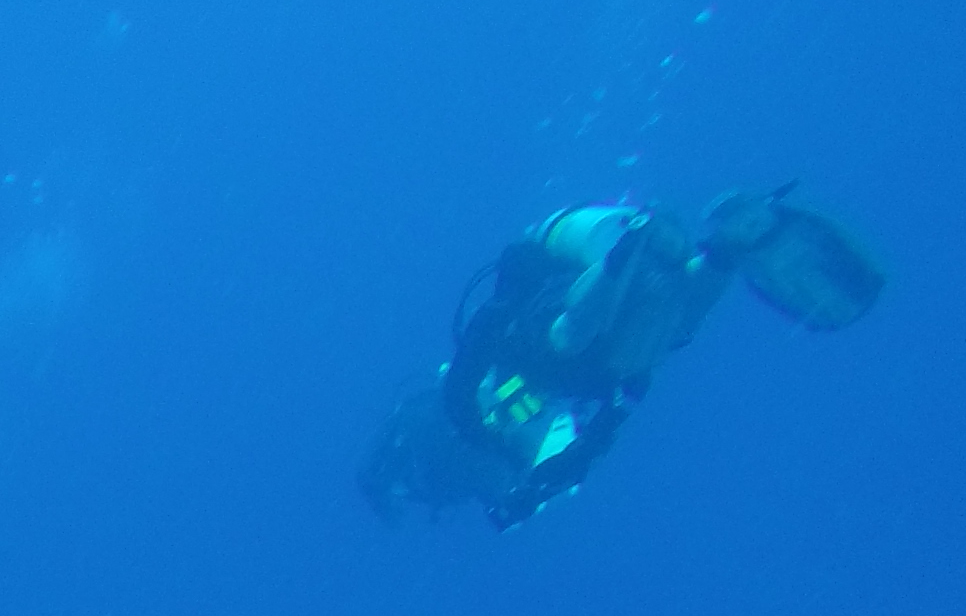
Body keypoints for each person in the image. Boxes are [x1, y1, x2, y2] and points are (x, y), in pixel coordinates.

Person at [361, 184, 884, 527]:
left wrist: (515, 470)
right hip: (590, 265)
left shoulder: (490, 373)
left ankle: (637, 251)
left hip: (572, 248)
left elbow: (472, 395)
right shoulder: (541, 399)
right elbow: (584, 442)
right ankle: (717, 252)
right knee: (649, 337)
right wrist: (528, 488)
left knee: (583, 343)